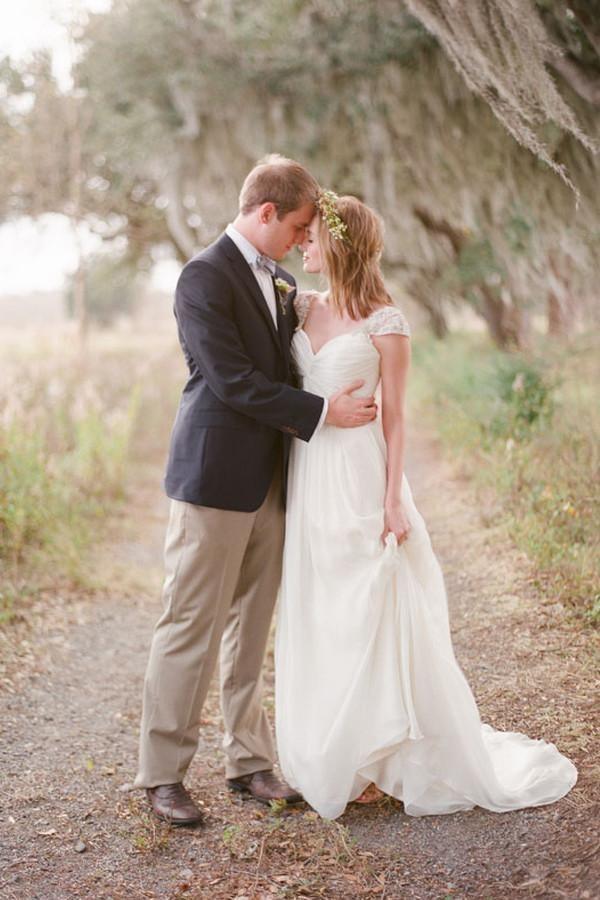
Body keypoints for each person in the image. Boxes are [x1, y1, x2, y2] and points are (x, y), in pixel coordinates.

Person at [275, 192, 577, 820]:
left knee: (371, 604)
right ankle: (341, 753)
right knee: (322, 602)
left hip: (360, 472)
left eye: (312, 237)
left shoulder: (386, 321)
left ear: (341, 241)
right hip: (310, 471)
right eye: (299, 236)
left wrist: (392, 500)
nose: (303, 245)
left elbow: (397, 420)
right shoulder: (298, 306)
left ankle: (383, 756)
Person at [134, 158, 377, 826]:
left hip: (273, 480)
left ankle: (248, 762)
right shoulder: (202, 277)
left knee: (252, 629)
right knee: (190, 626)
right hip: (213, 479)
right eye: (299, 225)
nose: (304, 240)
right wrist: (325, 415)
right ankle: (162, 776)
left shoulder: (282, 279)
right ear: (266, 212)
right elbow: (233, 380)